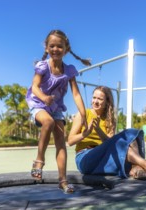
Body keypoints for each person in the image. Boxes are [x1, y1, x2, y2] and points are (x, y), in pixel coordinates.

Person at [26, 29, 91, 193]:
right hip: (38, 103)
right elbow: (34, 86)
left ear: (66, 49)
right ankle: (39, 160)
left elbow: (76, 94)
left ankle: (63, 180)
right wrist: (44, 97)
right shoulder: (42, 66)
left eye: (59, 46)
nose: (56, 49)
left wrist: (83, 115)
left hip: (55, 108)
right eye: (52, 46)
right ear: (46, 48)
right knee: (47, 121)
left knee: (61, 142)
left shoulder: (69, 70)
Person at [68, 86, 146, 180]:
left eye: (100, 99)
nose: (95, 101)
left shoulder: (109, 119)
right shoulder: (83, 114)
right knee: (120, 142)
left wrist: (98, 130)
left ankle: (136, 169)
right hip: (85, 158)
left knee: (131, 132)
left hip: (104, 158)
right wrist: (85, 134)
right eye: (94, 98)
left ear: (106, 102)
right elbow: (70, 141)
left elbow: (110, 144)